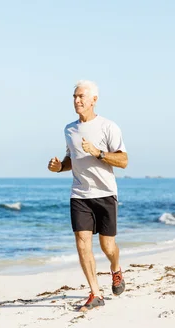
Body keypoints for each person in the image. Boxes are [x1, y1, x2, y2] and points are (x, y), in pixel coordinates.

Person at [48, 80, 129, 312]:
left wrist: (99, 153)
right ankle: (95, 293)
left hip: (105, 193)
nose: (77, 100)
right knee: (82, 242)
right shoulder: (69, 129)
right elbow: (70, 161)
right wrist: (58, 167)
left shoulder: (108, 127)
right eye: (74, 96)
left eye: (81, 96)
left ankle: (116, 270)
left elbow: (123, 161)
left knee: (108, 246)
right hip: (80, 194)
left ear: (94, 99)